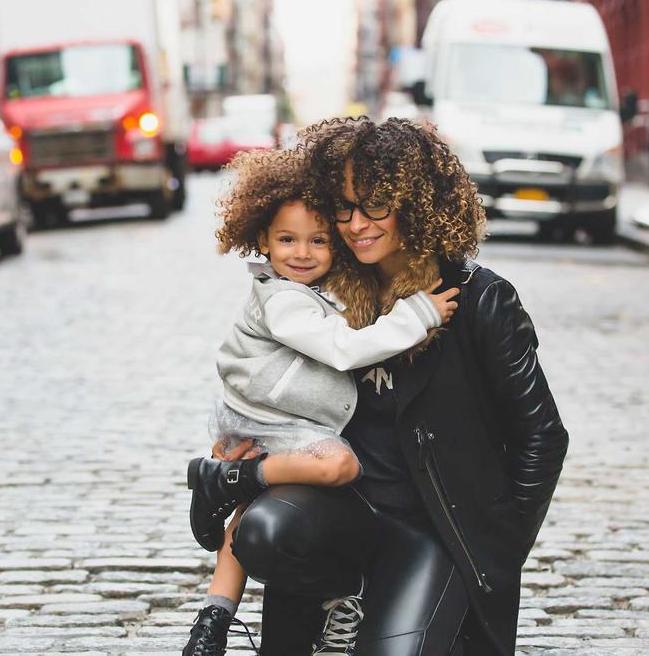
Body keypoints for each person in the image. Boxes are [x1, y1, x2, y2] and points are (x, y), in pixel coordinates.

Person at [229, 118, 570, 655]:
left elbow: (542, 436)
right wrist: (242, 447)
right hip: (345, 512)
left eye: (374, 206)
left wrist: (496, 550)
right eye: (342, 207)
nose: (355, 224)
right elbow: (266, 378)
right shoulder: (324, 292)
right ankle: (339, 600)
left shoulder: (480, 301)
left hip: (435, 530)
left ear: (414, 203)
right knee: (265, 530)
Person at [183, 147, 461, 656]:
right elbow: (342, 348)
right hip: (277, 419)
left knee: (249, 510)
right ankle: (229, 484)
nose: (303, 253)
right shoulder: (284, 298)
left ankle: (214, 616)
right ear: (261, 240)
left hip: (273, 416)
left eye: (318, 241)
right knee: (338, 464)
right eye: (287, 240)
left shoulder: (315, 290)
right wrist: (418, 313)